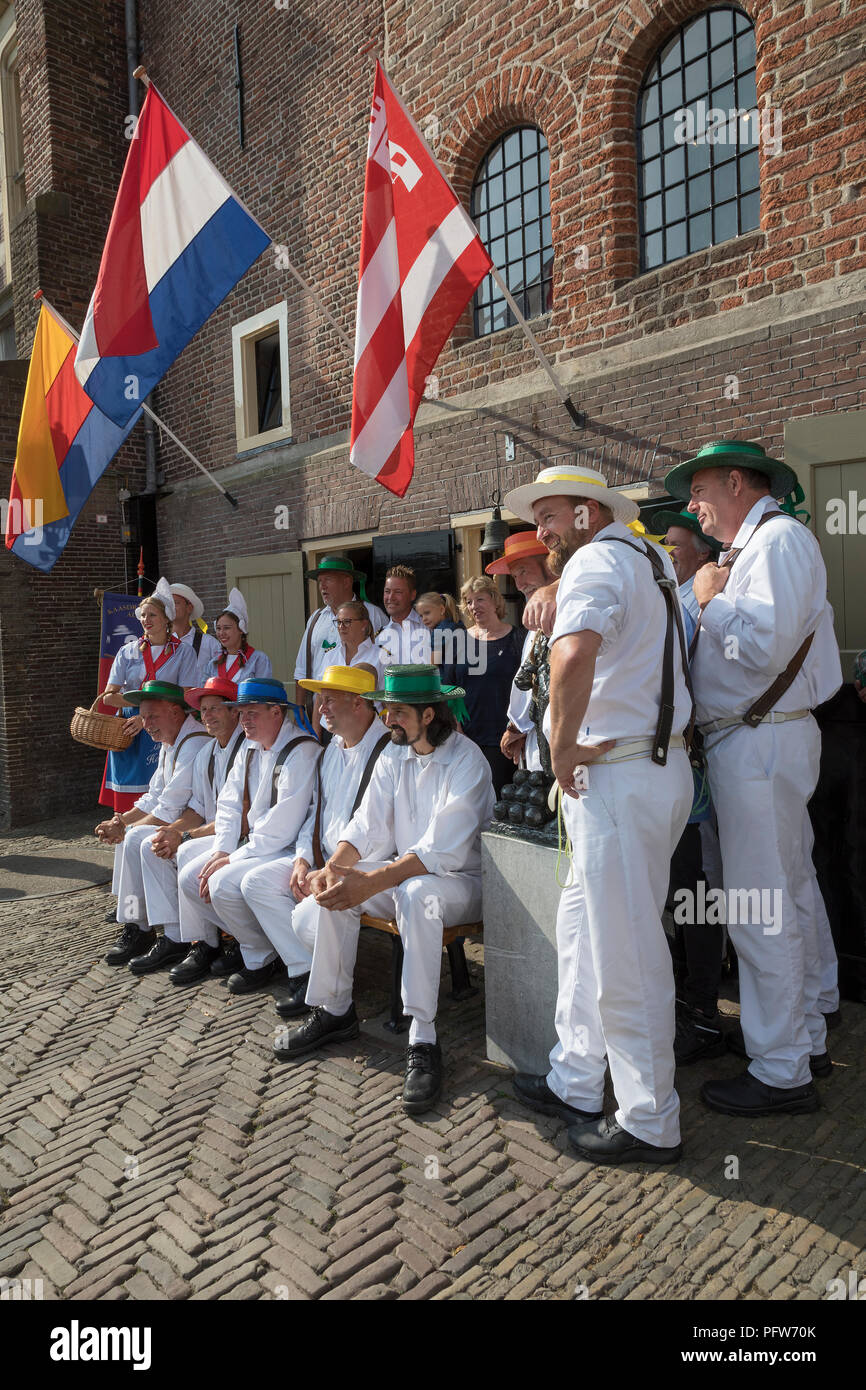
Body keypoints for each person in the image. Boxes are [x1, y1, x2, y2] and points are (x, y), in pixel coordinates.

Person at [505, 464, 693, 1164]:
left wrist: (559, 749)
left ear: (588, 512)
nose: (540, 531)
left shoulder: (599, 565)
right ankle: (577, 1079)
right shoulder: (649, 561)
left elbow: (572, 655)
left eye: (549, 515)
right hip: (646, 768)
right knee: (586, 933)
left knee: (626, 954)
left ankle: (649, 1119)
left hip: (612, 777)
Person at [665, 438, 843, 1117]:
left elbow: (762, 647)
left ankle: (780, 1069)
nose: (693, 505)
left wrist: (709, 597)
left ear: (738, 482)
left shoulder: (778, 544)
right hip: (761, 739)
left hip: (758, 742)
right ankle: (804, 1034)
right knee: (790, 891)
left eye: (701, 489)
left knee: (761, 903)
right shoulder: (765, 547)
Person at [273, 664, 495, 1116]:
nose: (386, 718)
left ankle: (423, 1039)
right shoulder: (394, 754)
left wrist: (372, 881)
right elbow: (368, 823)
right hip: (406, 875)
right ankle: (335, 1011)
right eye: (385, 709)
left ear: (428, 715)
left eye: (395, 711)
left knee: (414, 894)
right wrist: (333, 868)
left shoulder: (468, 760)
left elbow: (442, 852)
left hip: (462, 883)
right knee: (340, 886)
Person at [228, 666, 391, 1016]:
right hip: (324, 858)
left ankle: (330, 997)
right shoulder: (331, 749)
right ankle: (304, 971)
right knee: (256, 883)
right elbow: (316, 813)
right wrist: (303, 858)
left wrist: (330, 869)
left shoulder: (387, 750)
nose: (321, 708)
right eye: (320, 699)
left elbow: (379, 829)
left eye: (330, 700)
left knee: (307, 916)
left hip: (366, 865)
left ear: (360, 703)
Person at [176, 677, 321, 994]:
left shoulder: (302, 751)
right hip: (259, 845)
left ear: (276, 712)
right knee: (191, 877)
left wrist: (232, 857)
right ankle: (261, 950)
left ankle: (298, 964)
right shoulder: (251, 749)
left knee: (225, 882)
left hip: (291, 848)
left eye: (252, 712)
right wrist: (221, 850)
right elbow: (228, 804)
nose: (244, 720)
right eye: (241, 713)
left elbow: (283, 824)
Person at [128, 677, 246, 981]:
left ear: (236, 712)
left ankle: (218, 941)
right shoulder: (208, 753)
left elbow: (241, 818)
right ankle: (179, 936)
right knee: (150, 843)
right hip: (217, 833)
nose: (207, 716)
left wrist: (183, 835)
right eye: (203, 709)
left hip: (243, 838)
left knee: (185, 854)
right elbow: (196, 810)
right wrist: (174, 832)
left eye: (215, 709)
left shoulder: (247, 751)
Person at [95, 681, 210, 966]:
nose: (146, 725)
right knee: (131, 837)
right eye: (144, 717)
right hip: (184, 820)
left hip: (202, 825)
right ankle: (136, 922)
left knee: (138, 839)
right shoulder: (169, 743)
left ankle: (170, 933)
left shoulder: (193, 743)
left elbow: (169, 809)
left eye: (152, 716)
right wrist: (120, 820)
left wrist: (126, 828)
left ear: (174, 711)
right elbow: (154, 797)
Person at [98, 578, 200, 815]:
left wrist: (146, 716)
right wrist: (139, 711)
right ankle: (123, 840)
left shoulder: (183, 652)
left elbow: (186, 695)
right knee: (126, 806)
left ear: (166, 619)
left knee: (163, 797)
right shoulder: (127, 651)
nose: (146, 620)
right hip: (128, 730)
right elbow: (108, 697)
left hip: (166, 726)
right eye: (143, 615)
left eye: (152, 615)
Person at [484, 533, 554, 773]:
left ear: (550, 564)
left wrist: (516, 727)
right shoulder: (535, 624)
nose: (520, 584)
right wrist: (520, 727)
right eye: (514, 577)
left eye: (524, 571)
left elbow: (540, 681)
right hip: (537, 746)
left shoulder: (559, 616)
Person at [458, 575, 525, 795]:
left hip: (507, 742)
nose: (474, 606)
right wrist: (457, 732)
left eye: (480, 599)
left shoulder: (519, 639)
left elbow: (531, 690)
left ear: (495, 601)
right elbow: (447, 691)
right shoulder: (457, 642)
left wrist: (520, 731)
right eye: (469, 601)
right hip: (467, 742)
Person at [294, 554, 386, 710]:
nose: (322, 586)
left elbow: (385, 663)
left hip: (362, 714)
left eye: (328, 580)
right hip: (322, 714)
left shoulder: (373, 615)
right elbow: (301, 669)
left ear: (346, 582)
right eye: (320, 581)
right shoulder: (315, 619)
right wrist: (299, 709)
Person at [205, 588, 273, 683]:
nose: (221, 633)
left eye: (227, 628)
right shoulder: (212, 664)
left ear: (241, 629)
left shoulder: (259, 659)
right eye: (218, 628)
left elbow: (264, 693)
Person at [377, 565, 431, 667]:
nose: (390, 597)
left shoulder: (429, 626)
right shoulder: (378, 639)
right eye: (387, 591)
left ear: (412, 595)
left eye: (398, 592)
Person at [170, 582, 222, 682]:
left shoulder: (209, 643)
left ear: (189, 608)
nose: (171, 607)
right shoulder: (160, 642)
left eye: (176, 603)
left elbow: (221, 676)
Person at [415, 592, 465, 688]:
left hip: (448, 686)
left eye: (427, 613)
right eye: (421, 616)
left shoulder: (438, 632)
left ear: (442, 609)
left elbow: (434, 665)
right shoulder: (459, 624)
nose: (424, 619)